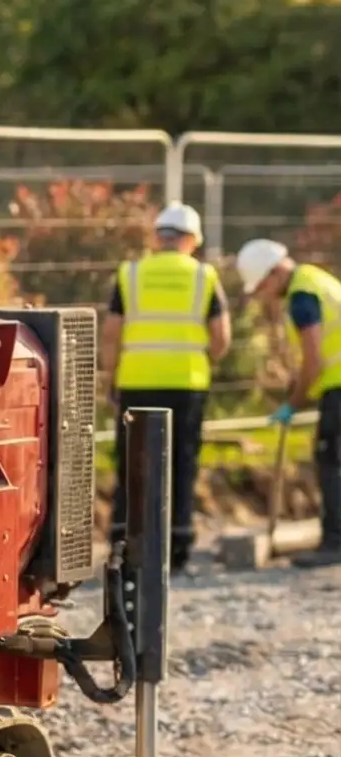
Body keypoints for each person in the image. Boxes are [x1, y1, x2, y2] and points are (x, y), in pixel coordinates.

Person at [99, 202, 229, 573]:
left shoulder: (131, 274)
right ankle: (178, 546)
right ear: (192, 240)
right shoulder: (204, 276)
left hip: (137, 383)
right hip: (187, 384)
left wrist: (112, 377)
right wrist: (205, 361)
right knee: (181, 464)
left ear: (159, 237)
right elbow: (221, 336)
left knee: (133, 464)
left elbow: (111, 333)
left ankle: (124, 546)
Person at [234, 238, 341, 569]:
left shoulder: (301, 296)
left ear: (275, 273)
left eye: (263, 285)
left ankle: (335, 543)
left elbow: (314, 360)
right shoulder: (317, 278)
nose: (264, 293)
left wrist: (294, 403)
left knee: (331, 462)